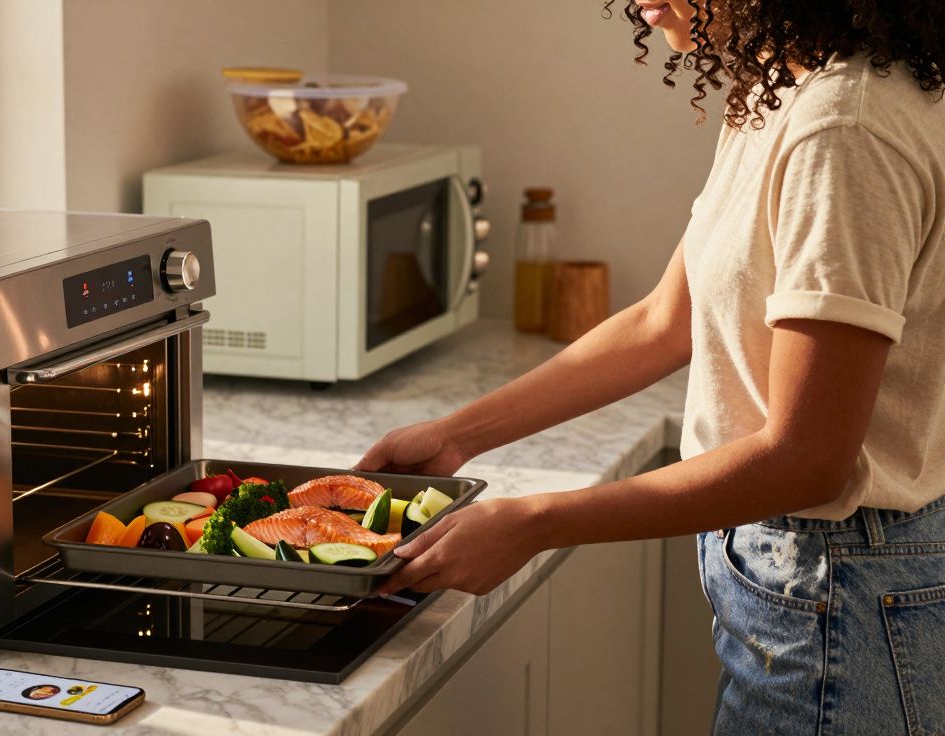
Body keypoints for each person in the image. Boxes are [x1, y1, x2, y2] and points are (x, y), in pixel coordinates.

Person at [359, 1, 945, 733]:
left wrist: (532, 523)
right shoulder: (781, 90)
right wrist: (456, 436)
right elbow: (665, 321)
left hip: (841, 592)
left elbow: (809, 459)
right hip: (806, 585)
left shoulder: (844, 129)